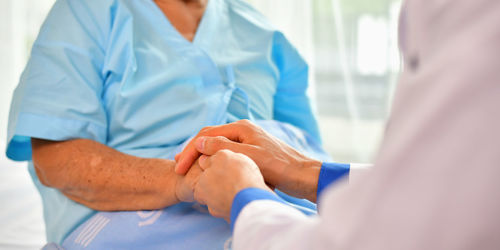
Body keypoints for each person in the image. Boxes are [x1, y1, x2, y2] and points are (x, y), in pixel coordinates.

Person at [174, 0, 500, 249]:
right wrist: (306, 171)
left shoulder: (266, 38)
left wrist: (243, 197)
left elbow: (378, 235)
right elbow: (431, 182)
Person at [5, 0, 321, 244]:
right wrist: (186, 180)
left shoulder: (265, 35)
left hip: (275, 214)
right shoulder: (87, 12)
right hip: (138, 220)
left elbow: (305, 162)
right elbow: (57, 161)